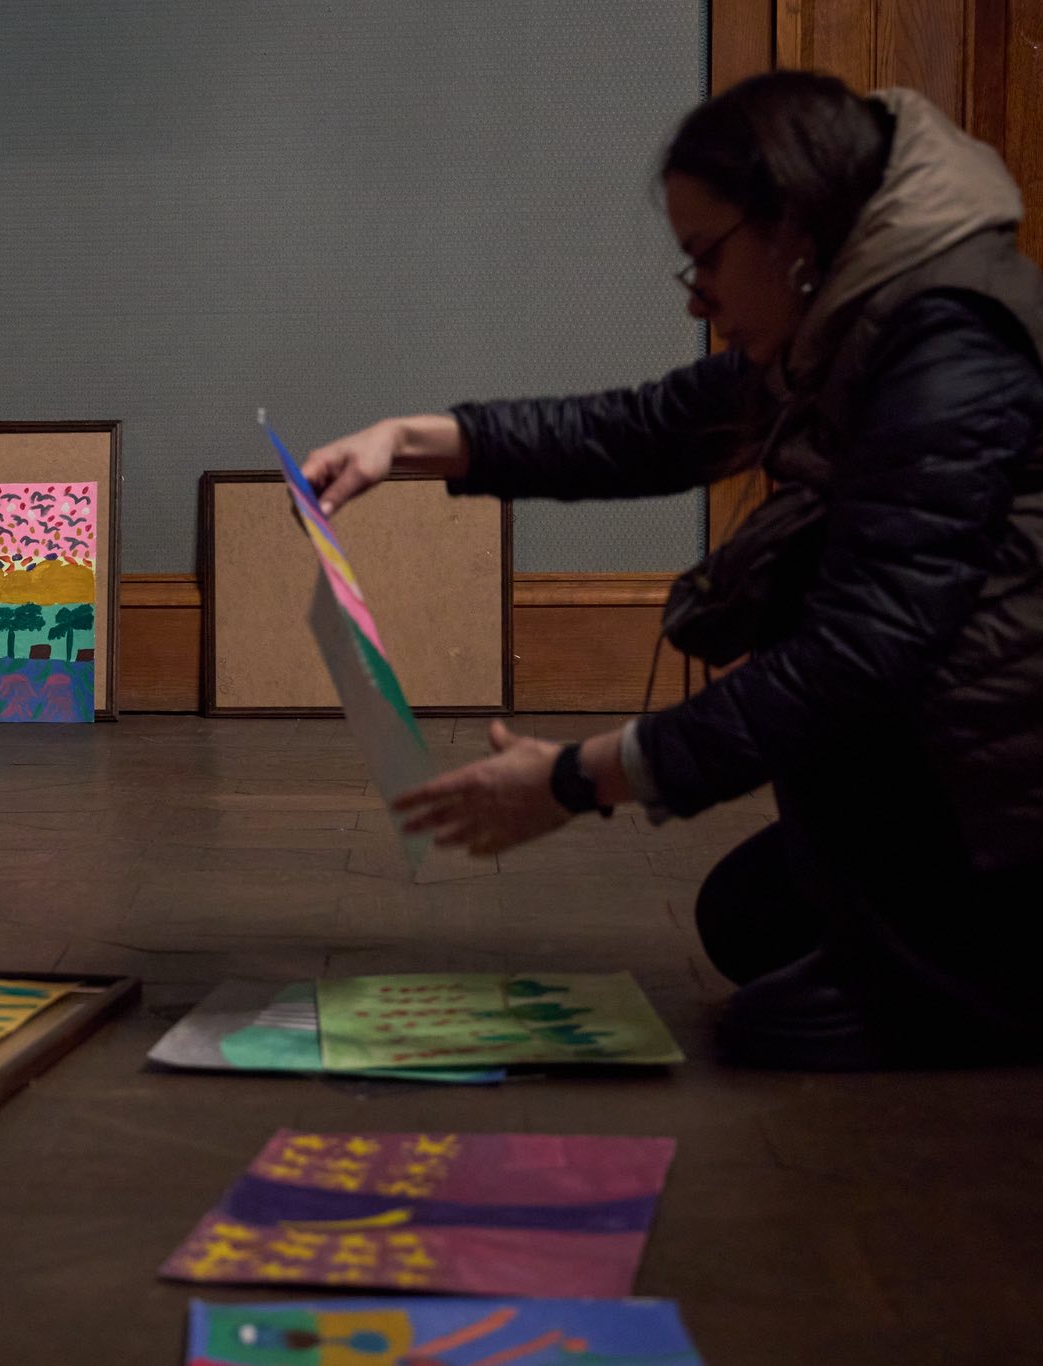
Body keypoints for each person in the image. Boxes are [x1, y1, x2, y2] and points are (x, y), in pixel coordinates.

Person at [301, 71, 1043, 1070]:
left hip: (1004, 801)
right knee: (745, 918)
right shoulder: (855, 312)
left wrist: (575, 778)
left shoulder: (945, 342)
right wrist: (406, 440)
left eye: (705, 256)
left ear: (793, 227)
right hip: (961, 773)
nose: (696, 295)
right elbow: (646, 428)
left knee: (777, 1026)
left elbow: (859, 653)